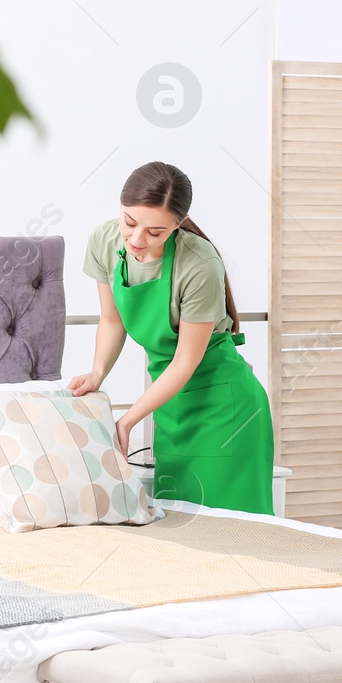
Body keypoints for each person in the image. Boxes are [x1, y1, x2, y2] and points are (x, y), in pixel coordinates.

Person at [69, 161, 275, 514]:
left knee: (237, 534)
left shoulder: (198, 263)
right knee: (181, 535)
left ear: (177, 225)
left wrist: (129, 419)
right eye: (129, 222)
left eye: (155, 232)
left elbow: (185, 361)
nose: (136, 239)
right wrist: (97, 373)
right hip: (171, 407)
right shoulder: (104, 241)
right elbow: (112, 320)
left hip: (224, 408)